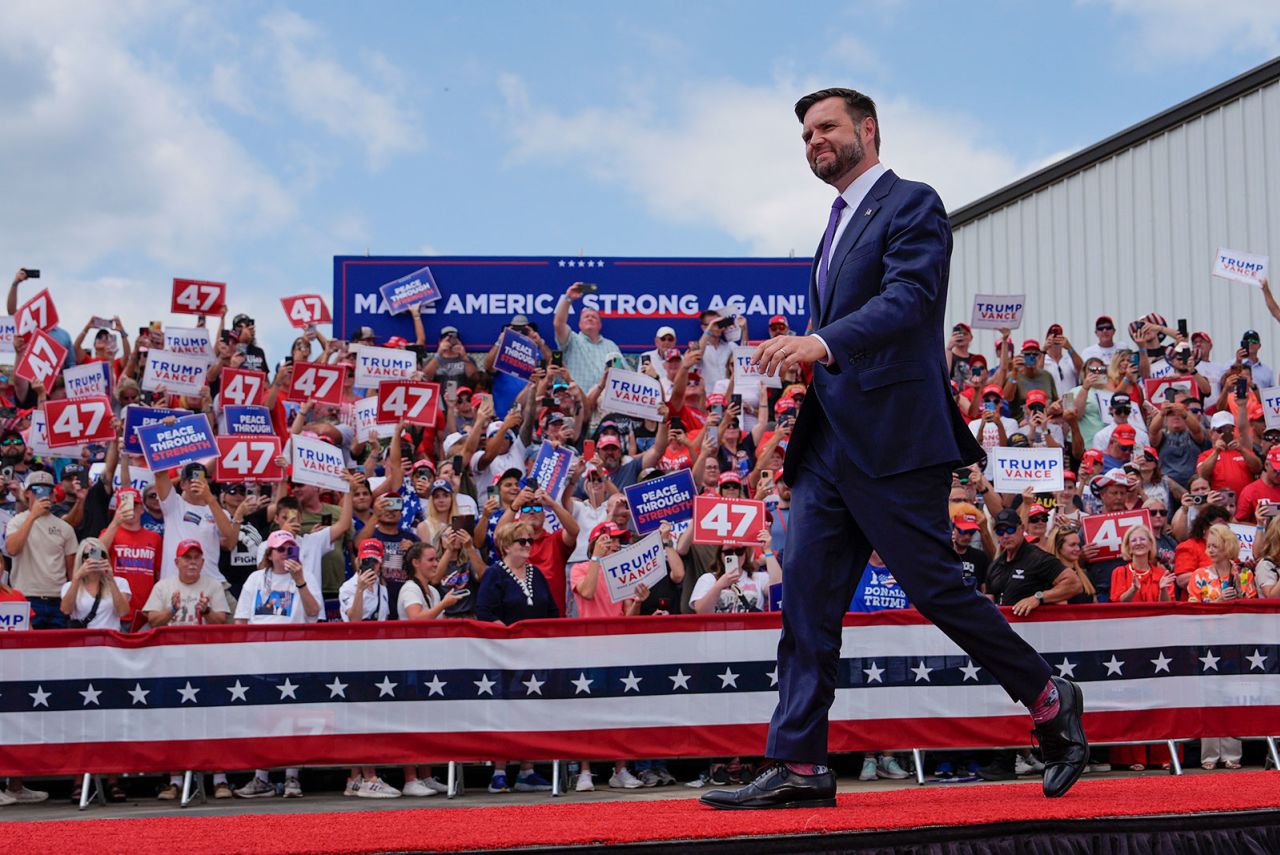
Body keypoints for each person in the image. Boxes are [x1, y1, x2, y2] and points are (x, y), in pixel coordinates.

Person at [704, 89, 1086, 811]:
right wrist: (812, 352)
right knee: (807, 604)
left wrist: (821, 341)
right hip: (826, 444)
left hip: (895, 441)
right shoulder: (834, 224)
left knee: (937, 589)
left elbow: (910, 298)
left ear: (867, 130)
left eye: (827, 127)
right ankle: (801, 763)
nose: (814, 140)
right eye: (807, 133)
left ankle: (1046, 693)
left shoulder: (912, 202)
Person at [475, 520, 557, 794]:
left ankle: (527, 770)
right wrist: (513, 637)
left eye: (530, 541)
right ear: (506, 545)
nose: (527, 545)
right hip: (504, 655)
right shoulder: (495, 574)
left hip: (535, 656)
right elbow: (485, 613)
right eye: (522, 541)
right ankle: (499, 772)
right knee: (505, 713)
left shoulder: (537, 574)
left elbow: (552, 612)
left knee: (531, 712)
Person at [5, 470, 79, 628]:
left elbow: (72, 571)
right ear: (27, 494)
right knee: (27, 650)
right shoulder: (16, 522)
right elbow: (12, 550)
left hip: (57, 599)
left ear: (53, 495)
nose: (42, 494)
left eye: (47, 490)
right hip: (26, 598)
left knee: (58, 650)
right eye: (37, 489)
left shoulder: (65, 528)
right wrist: (33, 516)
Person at [554, 286, 620, 391]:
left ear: (599, 325)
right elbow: (558, 323)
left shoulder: (611, 346)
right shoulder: (572, 339)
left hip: (602, 402)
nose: (590, 318)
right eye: (586, 317)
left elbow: (623, 373)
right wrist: (568, 298)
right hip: (576, 400)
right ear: (580, 324)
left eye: (594, 317)